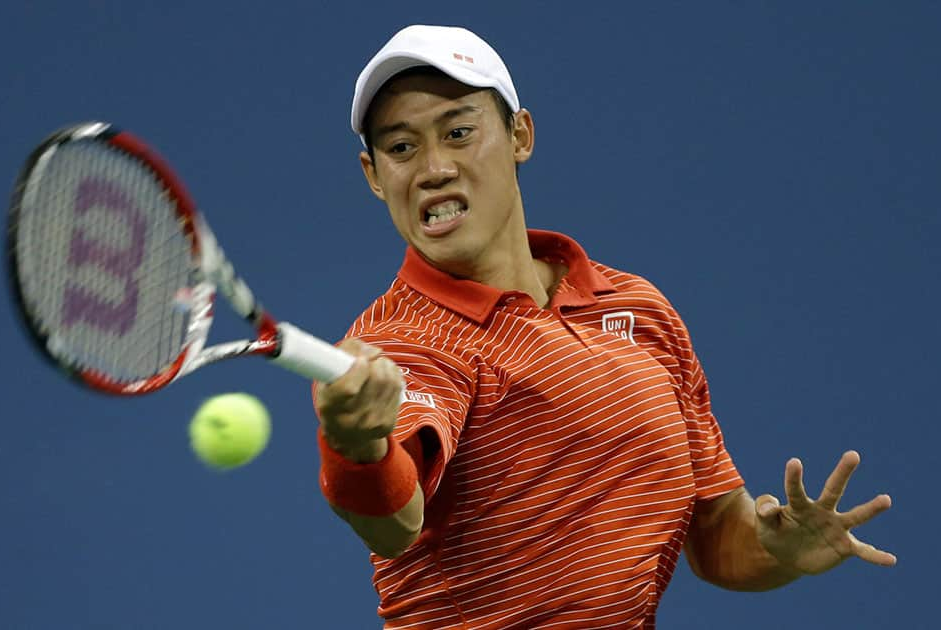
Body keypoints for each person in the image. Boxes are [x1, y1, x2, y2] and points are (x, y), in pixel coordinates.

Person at [313, 25, 895, 629]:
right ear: (374, 174)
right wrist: (358, 446)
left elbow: (718, 533)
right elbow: (392, 521)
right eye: (401, 148)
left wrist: (781, 552)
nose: (433, 168)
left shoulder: (640, 307)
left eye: (458, 132)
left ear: (520, 135)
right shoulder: (403, 339)